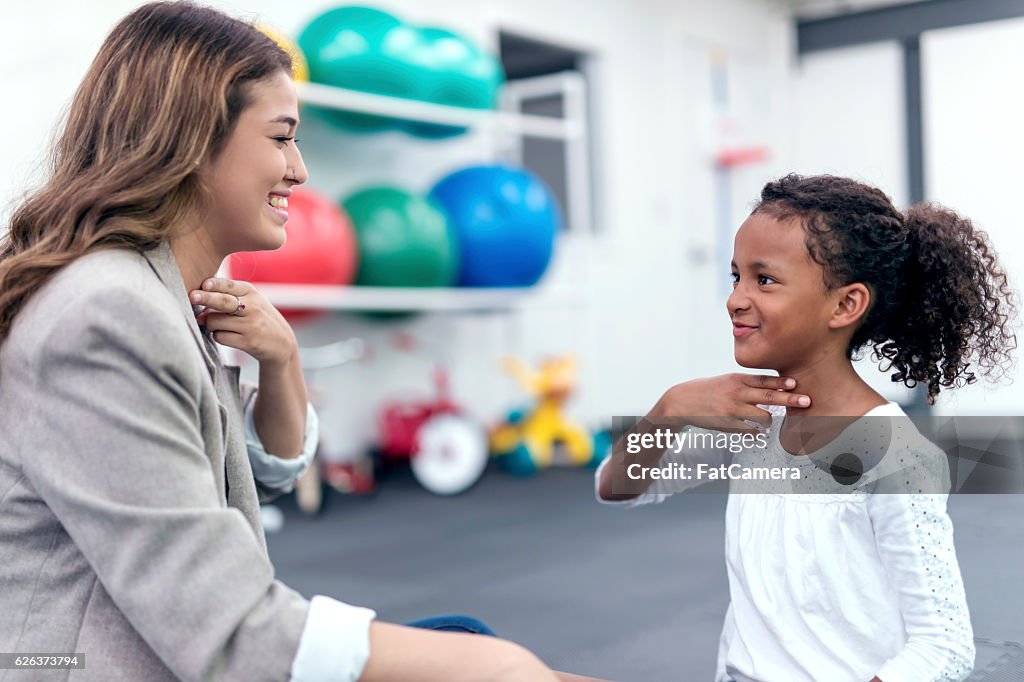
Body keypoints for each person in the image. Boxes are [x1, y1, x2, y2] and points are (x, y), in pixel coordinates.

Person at [0, 3, 608, 681]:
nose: (301, 171)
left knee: (466, 638)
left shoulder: (164, 296)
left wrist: (282, 358)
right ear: (195, 141)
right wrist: (501, 669)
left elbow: (256, 476)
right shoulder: (109, 314)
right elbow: (234, 637)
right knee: (481, 652)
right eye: (283, 137)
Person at [597, 174, 1019, 682]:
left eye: (765, 280)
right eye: (736, 277)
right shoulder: (752, 419)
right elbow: (616, 486)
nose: (735, 299)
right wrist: (667, 410)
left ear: (845, 305)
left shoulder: (894, 455)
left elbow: (944, 649)